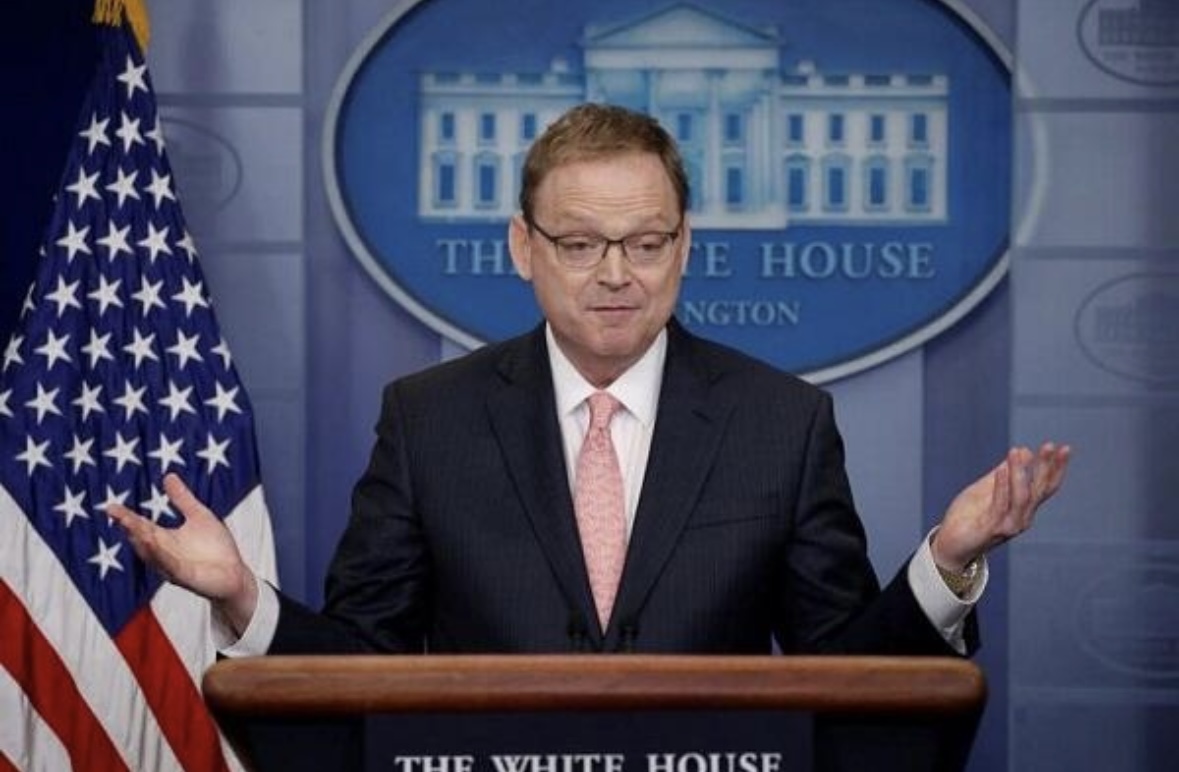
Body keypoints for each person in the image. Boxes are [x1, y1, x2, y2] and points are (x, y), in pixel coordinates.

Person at [110, 103, 1069, 660]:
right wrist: (242, 597)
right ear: (522, 248)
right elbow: (364, 663)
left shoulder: (782, 422)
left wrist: (946, 563)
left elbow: (847, 679)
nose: (616, 274)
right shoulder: (428, 420)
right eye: (578, 244)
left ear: (684, 246)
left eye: (645, 242)